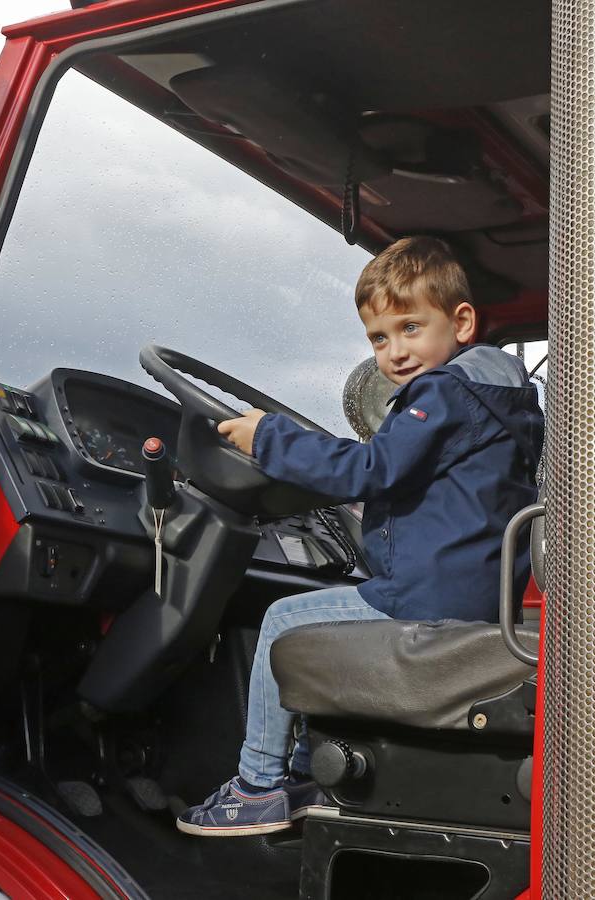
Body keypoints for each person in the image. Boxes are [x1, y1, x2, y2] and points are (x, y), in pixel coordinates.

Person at [176, 236, 544, 837]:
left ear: (461, 324)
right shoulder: (498, 398)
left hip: (426, 596)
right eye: (378, 338)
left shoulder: (444, 393)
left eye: (410, 328)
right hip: (471, 592)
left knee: (283, 621)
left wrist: (270, 439)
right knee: (320, 620)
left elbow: (371, 469)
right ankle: (306, 772)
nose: (395, 351)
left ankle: (257, 785)